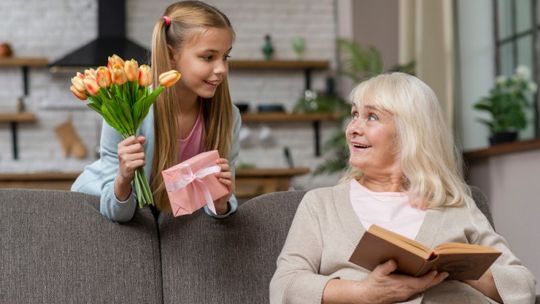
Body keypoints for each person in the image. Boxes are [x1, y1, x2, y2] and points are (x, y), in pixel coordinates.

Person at [270, 73, 536, 303]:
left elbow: (522, 286)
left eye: (371, 117)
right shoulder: (321, 205)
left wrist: (460, 269)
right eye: (354, 115)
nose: (352, 129)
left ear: (410, 132)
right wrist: (362, 293)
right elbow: (284, 286)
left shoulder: (454, 203)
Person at [72, 1, 240, 223]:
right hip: (97, 212)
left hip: (167, 219)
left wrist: (221, 203)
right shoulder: (129, 111)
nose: (221, 69)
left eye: (225, 57)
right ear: (172, 56)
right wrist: (123, 177)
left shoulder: (228, 116)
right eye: (208, 57)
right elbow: (116, 212)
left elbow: (217, 204)